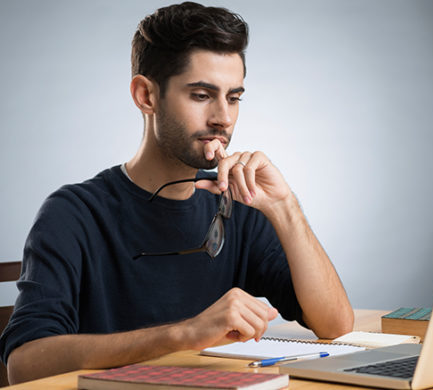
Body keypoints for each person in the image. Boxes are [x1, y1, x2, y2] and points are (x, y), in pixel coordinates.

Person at [0, 2, 353, 385]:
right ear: (146, 96)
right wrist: (184, 334)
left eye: (233, 97)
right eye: (202, 95)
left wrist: (285, 209)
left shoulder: (237, 204)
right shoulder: (74, 213)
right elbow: (24, 362)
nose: (224, 117)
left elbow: (335, 326)